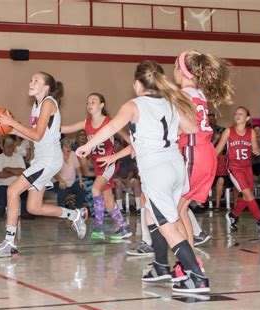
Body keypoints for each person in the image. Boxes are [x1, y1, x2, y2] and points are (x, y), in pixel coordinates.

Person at [77, 60, 209, 293]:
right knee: (150, 213)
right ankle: (160, 265)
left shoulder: (134, 105)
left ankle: (196, 276)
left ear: (137, 84)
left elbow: (109, 128)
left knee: (167, 225)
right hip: (176, 166)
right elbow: (192, 129)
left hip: (157, 169)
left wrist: (88, 146)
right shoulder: (171, 102)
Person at [0, 72, 87, 257]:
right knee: (33, 208)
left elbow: (37, 135)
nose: (31, 82)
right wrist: (13, 129)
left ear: (46, 87)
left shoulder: (48, 103)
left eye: (36, 81)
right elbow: (33, 136)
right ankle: (75, 215)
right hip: (42, 159)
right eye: (31, 79)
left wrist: (12, 122)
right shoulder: (36, 106)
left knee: (12, 190)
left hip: (49, 159)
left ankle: (9, 242)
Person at [173, 50, 233, 258]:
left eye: (175, 67)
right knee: (179, 210)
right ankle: (189, 262)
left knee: (172, 212)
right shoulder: (200, 94)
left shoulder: (181, 95)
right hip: (205, 153)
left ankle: (189, 265)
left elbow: (182, 127)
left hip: (193, 152)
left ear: (182, 72)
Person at [62, 92, 132, 240]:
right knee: (108, 202)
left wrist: (133, 148)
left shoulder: (110, 122)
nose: (89, 104)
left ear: (101, 105)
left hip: (110, 162)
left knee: (95, 188)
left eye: (93, 101)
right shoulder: (85, 124)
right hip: (98, 166)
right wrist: (46, 126)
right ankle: (124, 227)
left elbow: (128, 138)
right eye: (88, 102)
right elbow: (65, 129)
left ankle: (98, 227)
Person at [215, 107, 260, 234]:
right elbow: (217, 150)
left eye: (241, 113)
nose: (237, 115)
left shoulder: (251, 132)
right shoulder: (228, 131)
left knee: (247, 197)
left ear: (247, 118)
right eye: (236, 113)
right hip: (234, 168)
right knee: (248, 194)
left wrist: (256, 150)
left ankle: (233, 215)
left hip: (247, 167)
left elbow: (255, 148)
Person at [0, 137, 28, 221]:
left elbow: (23, 171)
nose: (9, 148)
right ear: (3, 146)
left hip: (17, 185)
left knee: (25, 193)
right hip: (2, 185)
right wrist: (15, 172)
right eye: (7, 146)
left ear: (14, 147)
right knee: (2, 200)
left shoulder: (18, 157)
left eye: (11, 146)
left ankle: (25, 213)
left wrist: (7, 169)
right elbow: (0, 174)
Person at [54, 138, 86, 209]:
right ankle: (62, 211)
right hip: (59, 182)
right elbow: (54, 172)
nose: (68, 148)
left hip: (71, 183)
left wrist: (81, 181)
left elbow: (78, 169)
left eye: (69, 146)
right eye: (66, 146)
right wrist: (61, 181)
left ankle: (79, 209)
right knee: (63, 189)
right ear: (62, 148)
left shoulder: (73, 154)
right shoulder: (58, 155)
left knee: (81, 188)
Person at [113, 136, 141, 213]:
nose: (113, 146)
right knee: (118, 182)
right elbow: (111, 173)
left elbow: (131, 170)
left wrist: (128, 179)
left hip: (126, 179)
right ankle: (120, 208)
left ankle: (138, 208)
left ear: (119, 143)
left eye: (115, 144)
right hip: (115, 180)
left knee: (135, 182)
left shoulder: (127, 155)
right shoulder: (111, 155)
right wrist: (123, 180)